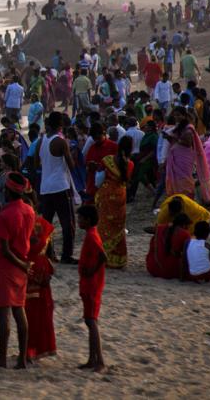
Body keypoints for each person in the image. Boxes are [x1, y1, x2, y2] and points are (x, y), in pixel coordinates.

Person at [0, 172, 35, 370]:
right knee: (19, 310)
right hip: (21, 263)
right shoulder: (29, 210)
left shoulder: (5, 215)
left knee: (3, 314)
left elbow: (6, 249)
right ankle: (22, 359)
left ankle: (2, 359)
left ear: (8, 191)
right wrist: (23, 264)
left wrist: (21, 264)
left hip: (8, 266)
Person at [39, 112, 78, 263]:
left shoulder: (42, 140)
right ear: (61, 126)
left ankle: (49, 253)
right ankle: (66, 255)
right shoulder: (61, 142)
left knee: (47, 224)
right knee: (68, 222)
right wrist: (72, 155)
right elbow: (71, 166)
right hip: (60, 186)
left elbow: (36, 163)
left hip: (45, 187)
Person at [24, 197, 57, 361]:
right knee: (34, 312)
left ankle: (32, 349)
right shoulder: (42, 225)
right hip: (36, 270)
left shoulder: (25, 225)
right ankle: (33, 348)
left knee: (36, 312)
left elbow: (50, 251)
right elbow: (50, 252)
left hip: (34, 270)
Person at [95, 136, 134, 269]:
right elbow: (127, 181)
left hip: (106, 196)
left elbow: (98, 180)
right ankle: (117, 259)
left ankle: (103, 256)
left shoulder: (107, 160)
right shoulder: (130, 164)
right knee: (118, 227)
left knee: (104, 225)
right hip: (120, 196)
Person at [76, 204, 107, 373]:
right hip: (89, 283)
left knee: (91, 321)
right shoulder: (91, 234)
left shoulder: (91, 236)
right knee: (89, 320)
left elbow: (103, 256)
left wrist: (92, 270)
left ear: (88, 220)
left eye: (80, 218)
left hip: (92, 284)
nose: (78, 221)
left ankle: (99, 361)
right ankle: (92, 359)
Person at [164, 107, 210, 203]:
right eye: (175, 115)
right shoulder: (178, 127)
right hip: (176, 157)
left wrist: (173, 138)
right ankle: (180, 201)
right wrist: (168, 137)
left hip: (184, 158)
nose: (176, 117)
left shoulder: (189, 128)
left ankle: (188, 201)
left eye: (178, 115)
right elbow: (175, 142)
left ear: (184, 115)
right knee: (178, 180)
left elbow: (187, 143)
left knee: (185, 180)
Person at [146, 213, 191, 279]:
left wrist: (165, 226)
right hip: (171, 271)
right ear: (184, 225)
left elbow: (146, 229)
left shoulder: (160, 229)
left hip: (153, 268)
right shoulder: (184, 234)